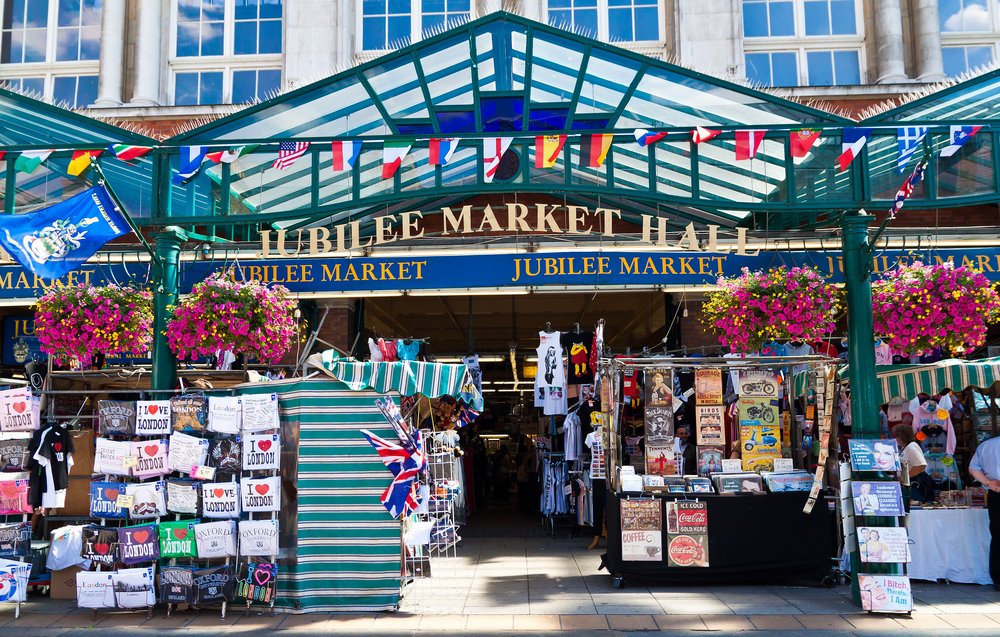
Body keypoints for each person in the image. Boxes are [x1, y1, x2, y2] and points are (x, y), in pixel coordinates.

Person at [969, 434, 1000, 590]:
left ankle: (998, 578)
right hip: (996, 490)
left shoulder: (987, 445)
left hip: (996, 492)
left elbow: (973, 468)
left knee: (998, 535)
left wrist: (988, 482)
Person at [894, 425, 934, 510]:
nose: (896, 439)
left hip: (916, 484)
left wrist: (905, 477)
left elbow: (921, 465)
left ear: (902, 436)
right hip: (910, 483)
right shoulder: (906, 447)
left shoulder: (912, 447)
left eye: (897, 436)